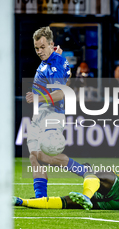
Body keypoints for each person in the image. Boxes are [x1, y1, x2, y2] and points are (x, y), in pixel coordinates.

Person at [26, 26, 91, 199]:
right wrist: (58, 57)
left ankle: (84, 170)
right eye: (36, 48)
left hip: (53, 113)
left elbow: (62, 92)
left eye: (42, 47)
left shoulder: (54, 64)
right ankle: (40, 197)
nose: (39, 51)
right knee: (34, 156)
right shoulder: (54, 59)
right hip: (40, 113)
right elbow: (67, 82)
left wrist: (38, 98)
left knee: (45, 156)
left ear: (51, 44)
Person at [13, 155, 119, 210]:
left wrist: (118, 177)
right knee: (68, 202)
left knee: (101, 176)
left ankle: (87, 188)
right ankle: (22, 202)